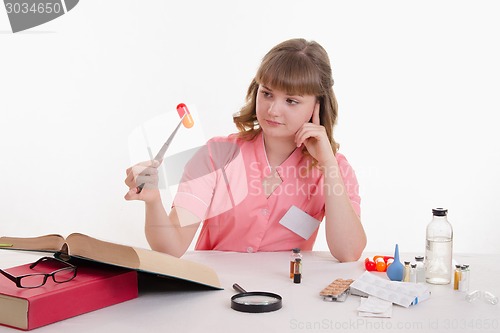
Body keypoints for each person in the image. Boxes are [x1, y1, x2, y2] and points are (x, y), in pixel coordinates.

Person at [124, 38, 366, 262]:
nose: (273, 110)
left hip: (289, 296)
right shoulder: (216, 155)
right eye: (267, 94)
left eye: (291, 101)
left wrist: (328, 165)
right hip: (216, 294)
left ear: (317, 105)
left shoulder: (336, 168)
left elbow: (348, 252)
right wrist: (153, 201)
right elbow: (171, 248)